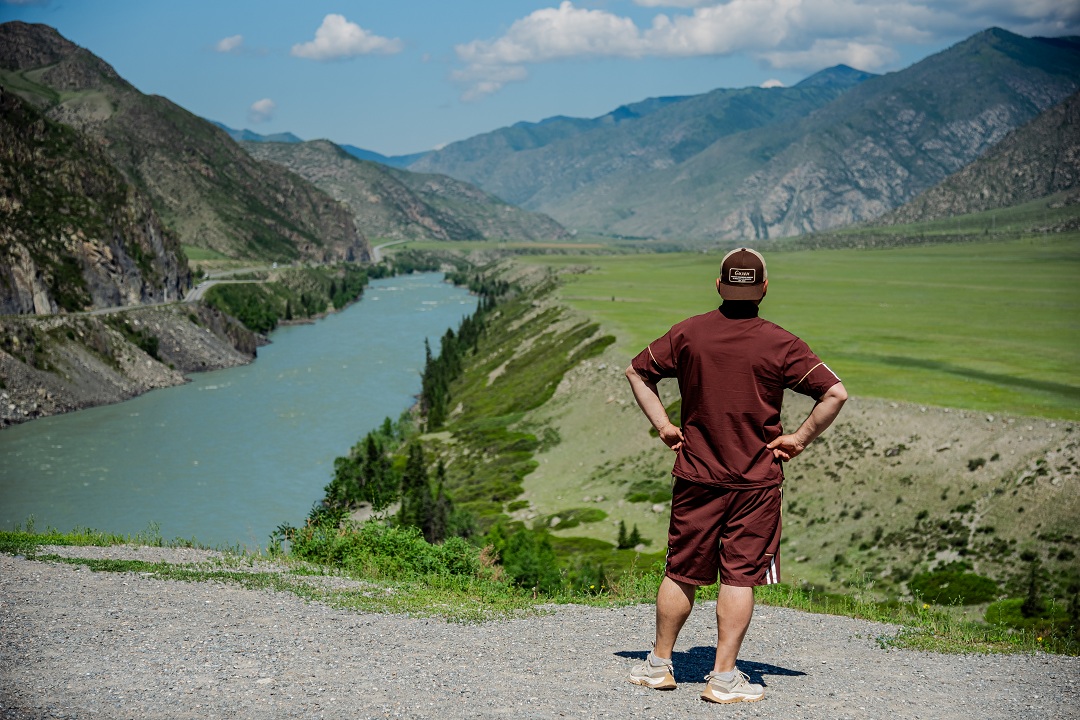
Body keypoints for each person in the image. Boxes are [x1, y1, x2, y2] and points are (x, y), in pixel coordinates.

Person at [624, 247, 847, 704]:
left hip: (696, 474)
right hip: (756, 482)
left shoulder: (689, 332)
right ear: (763, 288)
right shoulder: (781, 343)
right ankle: (723, 677)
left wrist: (665, 427)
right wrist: (799, 439)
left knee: (681, 569)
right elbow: (835, 394)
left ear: (719, 286)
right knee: (740, 576)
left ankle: (658, 666)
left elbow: (636, 372)